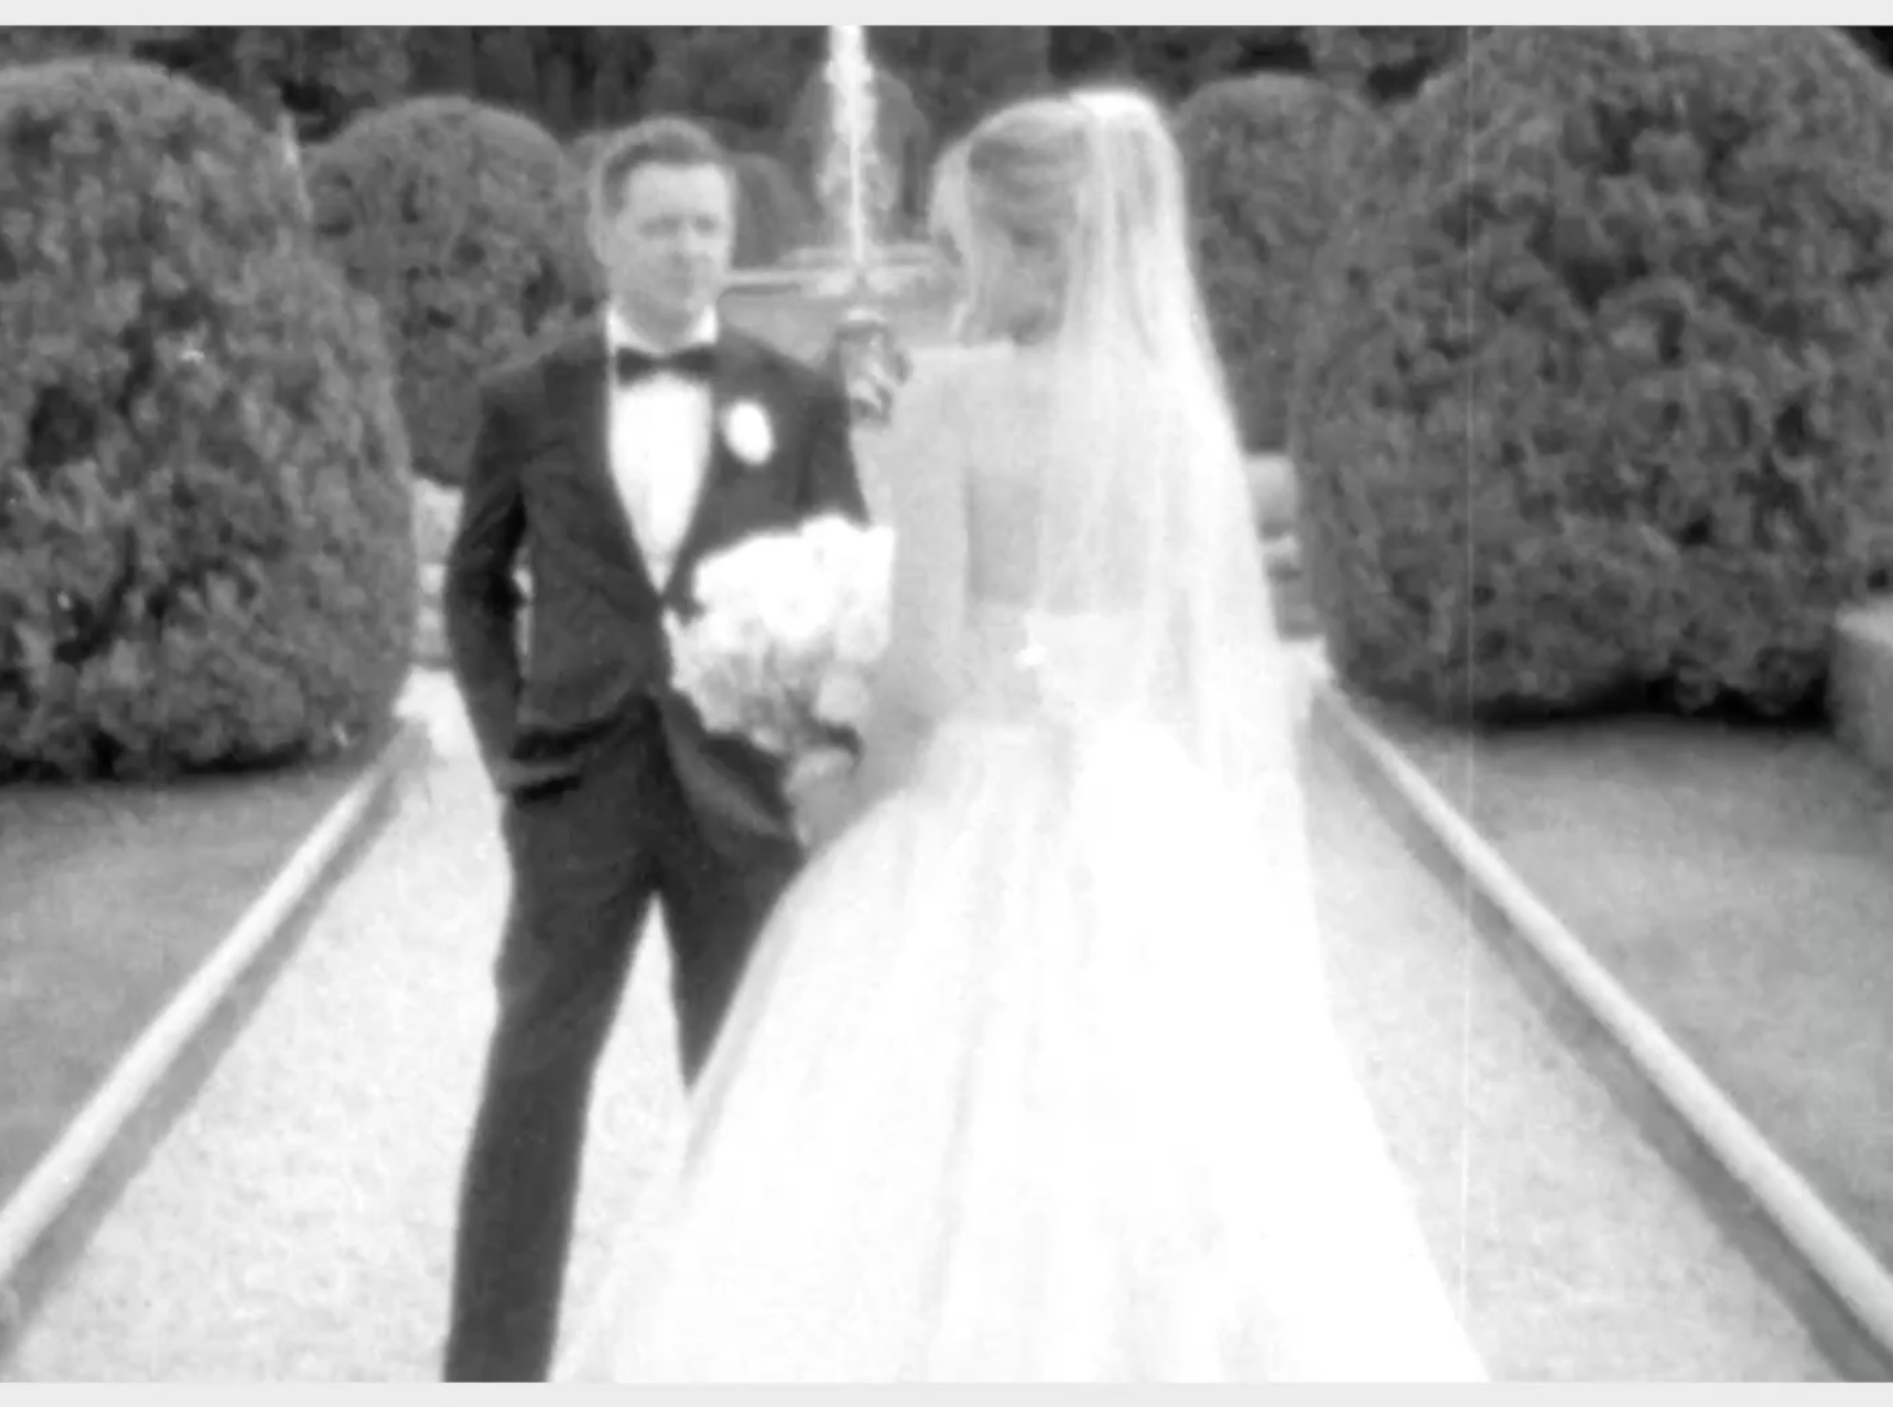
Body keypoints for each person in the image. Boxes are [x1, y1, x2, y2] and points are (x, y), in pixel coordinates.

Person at [551, 89, 1488, 1382]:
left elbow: (928, 673)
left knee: (906, 1132)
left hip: (976, 792)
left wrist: (840, 795)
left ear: (1044, 251)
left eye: (969, 242)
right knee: (1178, 1138)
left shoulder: (955, 400)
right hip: (1143, 813)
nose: (952, 273)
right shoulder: (1174, 411)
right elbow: (1179, 660)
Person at [436, 116, 869, 1383]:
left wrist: (820, 744)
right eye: (662, 226)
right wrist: (511, 749)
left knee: (743, 1083)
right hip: (576, 786)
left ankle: (758, 1355)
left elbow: (849, 591)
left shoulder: (797, 397)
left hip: (740, 798)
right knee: (532, 1077)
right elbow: (473, 590)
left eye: (709, 227)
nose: (689, 250)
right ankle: (490, 1365)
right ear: (603, 237)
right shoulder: (527, 399)